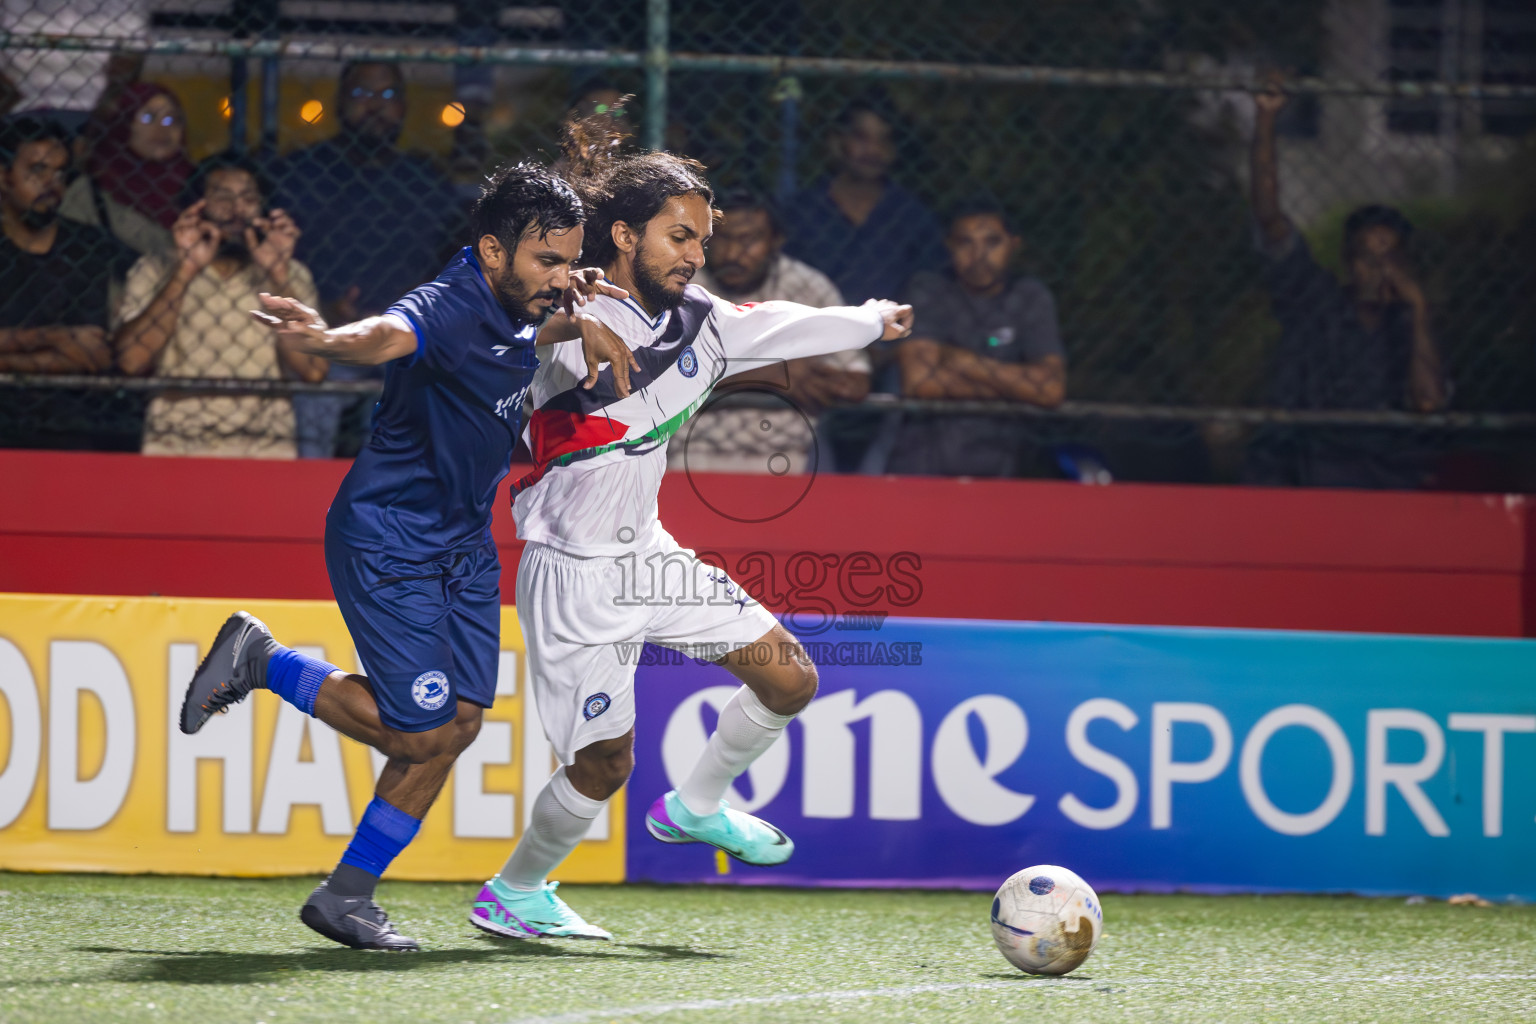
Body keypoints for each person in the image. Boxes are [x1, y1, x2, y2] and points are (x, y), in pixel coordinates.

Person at [467, 124, 912, 941]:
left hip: (649, 556)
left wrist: (869, 319)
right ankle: (515, 889)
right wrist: (562, 310)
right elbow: (512, 333)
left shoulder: (706, 323)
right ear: (627, 236)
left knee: (789, 678)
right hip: (573, 574)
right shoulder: (575, 318)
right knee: (604, 766)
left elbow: (776, 321)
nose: (694, 254)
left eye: (700, 241)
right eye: (679, 236)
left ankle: (695, 806)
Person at [177, 160, 634, 950]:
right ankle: (263, 661)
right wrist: (322, 337)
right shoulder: (451, 304)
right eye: (546, 261)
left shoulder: (529, 297)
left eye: (568, 261)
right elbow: (388, 333)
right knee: (418, 732)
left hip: (461, 540)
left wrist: (577, 312)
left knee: (457, 721)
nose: (561, 278)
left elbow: (537, 327)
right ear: (492, 251)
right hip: (390, 535)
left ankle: (346, 897)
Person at [1247, 79, 1446, 488]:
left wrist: (1418, 311)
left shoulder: (1406, 327)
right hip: (1306, 465)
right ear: (1347, 262)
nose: (1378, 270)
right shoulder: (1315, 297)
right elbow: (1269, 216)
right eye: (1366, 258)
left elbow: (1428, 402)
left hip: (1382, 477)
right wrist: (1266, 119)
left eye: (1389, 258)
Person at [274, 61, 462, 457]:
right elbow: (284, 262)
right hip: (328, 333)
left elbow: (449, 263)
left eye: (388, 95)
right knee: (316, 398)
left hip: (408, 337)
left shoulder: (423, 178)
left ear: (405, 107)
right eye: (362, 94)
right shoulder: (305, 172)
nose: (375, 105)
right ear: (340, 103)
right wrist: (324, 308)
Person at [114, 153, 319, 458]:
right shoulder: (155, 269)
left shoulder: (291, 274)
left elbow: (313, 370)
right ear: (196, 206)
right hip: (175, 446)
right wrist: (184, 272)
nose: (237, 210)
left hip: (264, 449)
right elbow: (131, 360)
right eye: (223, 198)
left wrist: (277, 276)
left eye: (248, 198)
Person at [681, 186, 870, 474]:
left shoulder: (806, 287)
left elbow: (856, 379)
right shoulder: (683, 285)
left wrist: (829, 381)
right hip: (692, 448)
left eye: (749, 240)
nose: (732, 253)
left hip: (788, 449)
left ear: (775, 241)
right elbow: (662, 372)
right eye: (721, 240)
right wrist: (774, 374)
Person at [885, 198, 1067, 477]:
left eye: (992, 242)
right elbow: (920, 382)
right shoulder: (928, 289)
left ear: (1014, 245)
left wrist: (965, 362)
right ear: (949, 246)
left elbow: (1051, 389)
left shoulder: (1029, 296)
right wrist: (1017, 389)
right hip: (924, 461)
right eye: (965, 243)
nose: (979, 255)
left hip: (1006, 463)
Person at [781, 93, 945, 307]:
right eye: (861, 137)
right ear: (837, 141)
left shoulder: (910, 213)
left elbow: (931, 283)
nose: (874, 150)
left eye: (884, 139)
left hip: (893, 332)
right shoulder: (802, 210)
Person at [0, 115, 133, 375]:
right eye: (38, 170)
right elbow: (73, 349)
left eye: (60, 173)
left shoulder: (88, 244)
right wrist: (54, 338)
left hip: (74, 409)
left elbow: (93, 356)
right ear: (3, 177)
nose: (52, 183)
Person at [59, 81, 184, 257]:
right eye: (148, 117)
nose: (163, 128)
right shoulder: (90, 192)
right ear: (123, 124)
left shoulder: (195, 185)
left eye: (171, 119)